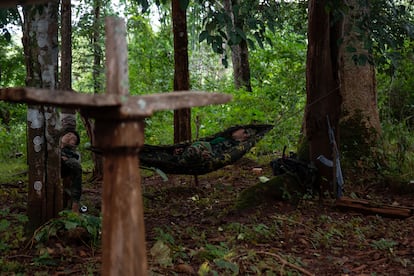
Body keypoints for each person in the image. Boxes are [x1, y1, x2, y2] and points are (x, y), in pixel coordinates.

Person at [177, 127, 253, 164]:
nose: (246, 136)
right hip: (203, 146)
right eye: (244, 132)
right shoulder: (224, 137)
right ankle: (181, 154)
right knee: (192, 152)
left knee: (190, 156)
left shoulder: (237, 147)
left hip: (207, 153)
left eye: (247, 136)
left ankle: (180, 157)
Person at [60, 129, 82, 213]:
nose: (70, 138)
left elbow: (74, 162)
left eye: (73, 139)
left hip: (65, 170)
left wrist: (66, 158)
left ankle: (75, 204)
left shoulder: (73, 156)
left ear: (74, 145)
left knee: (76, 166)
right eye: (69, 135)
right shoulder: (53, 147)